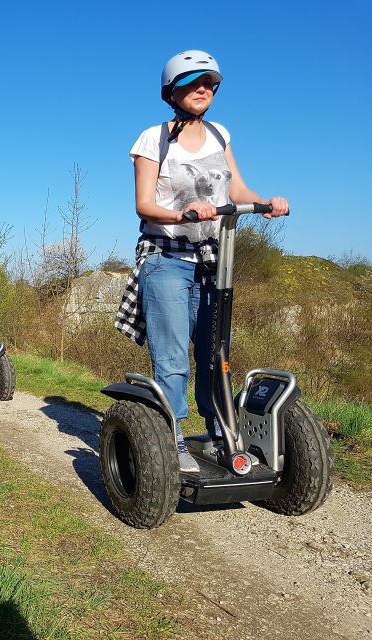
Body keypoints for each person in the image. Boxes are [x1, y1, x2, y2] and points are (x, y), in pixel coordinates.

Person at [115, 50, 289, 472]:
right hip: (167, 257)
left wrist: (265, 202)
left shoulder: (219, 133)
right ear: (172, 90)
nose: (203, 90)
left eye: (209, 83)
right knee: (173, 356)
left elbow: (238, 190)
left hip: (214, 260)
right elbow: (143, 205)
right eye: (194, 83)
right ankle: (170, 436)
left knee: (216, 353)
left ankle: (218, 433)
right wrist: (183, 212)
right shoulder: (151, 139)